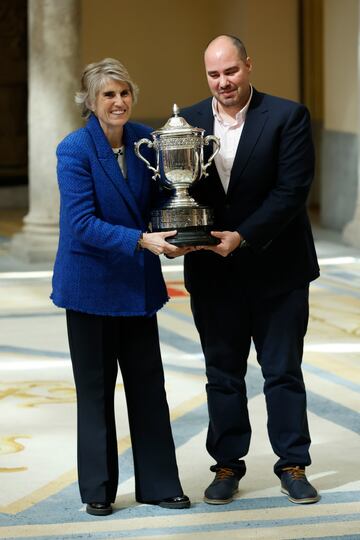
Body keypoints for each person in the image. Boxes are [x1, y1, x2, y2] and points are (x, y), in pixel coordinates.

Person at [179, 35, 320, 505]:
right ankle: (226, 466)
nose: (224, 82)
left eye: (231, 71)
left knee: (282, 371)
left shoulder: (287, 116)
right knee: (222, 373)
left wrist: (242, 237)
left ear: (248, 66)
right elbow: (177, 193)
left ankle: (293, 464)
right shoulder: (187, 122)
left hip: (278, 269)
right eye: (214, 75)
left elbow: (291, 191)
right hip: (213, 273)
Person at [51, 58, 190, 516]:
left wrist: (175, 232)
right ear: (90, 102)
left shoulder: (146, 140)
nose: (118, 101)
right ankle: (97, 489)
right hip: (90, 287)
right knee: (95, 390)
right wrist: (141, 240)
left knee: (149, 385)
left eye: (124, 92)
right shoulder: (74, 149)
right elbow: (82, 224)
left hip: (137, 284)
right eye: (108, 94)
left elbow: (157, 202)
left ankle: (160, 485)